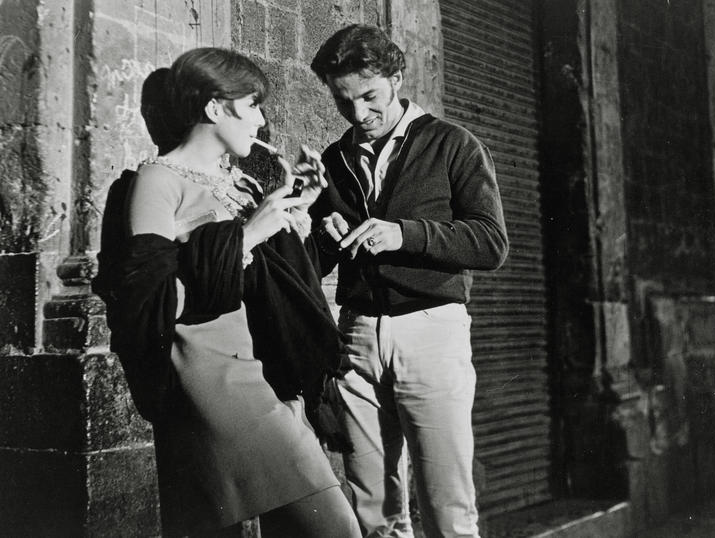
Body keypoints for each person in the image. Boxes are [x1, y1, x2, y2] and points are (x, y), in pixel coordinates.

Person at [91, 47, 360, 538]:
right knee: (335, 528)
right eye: (252, 104)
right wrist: (251, 234)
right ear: (215, 108)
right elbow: (147, 302)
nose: (260, 121)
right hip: (214, 382)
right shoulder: (157, 180)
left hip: (270, 374)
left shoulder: (242, 183)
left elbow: (282, 286)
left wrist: (299, 209)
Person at [308, 24, 509, 538]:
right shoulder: (334, 160)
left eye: (370, 96)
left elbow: (491, 243)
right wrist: (324, 237)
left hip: (431, 329)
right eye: (343, 101)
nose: (359, 114)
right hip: (357, 334)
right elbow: (315, 263)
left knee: (447, 505)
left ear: (398, 78)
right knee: (373, 509)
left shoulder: (453, 144)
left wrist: (405, 235)